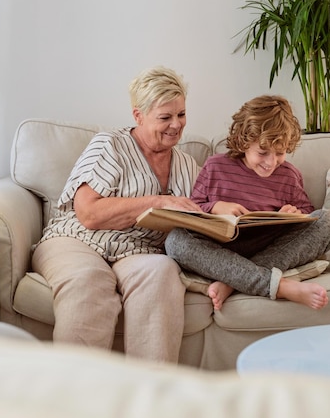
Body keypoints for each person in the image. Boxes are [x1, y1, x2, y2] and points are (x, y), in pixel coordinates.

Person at [32, 66, 202, 363]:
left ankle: (148, 399)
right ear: (138, 115)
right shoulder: (110, 144)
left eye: (182, 114)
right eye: (165, 117)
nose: (176, 125)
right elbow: (89, 213)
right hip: (77, 239)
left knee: (162, 273)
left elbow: (205, 212)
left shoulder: (188, 165)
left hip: (139, 251)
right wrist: (158, 203)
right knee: (89, 280)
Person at [165, 95, 330, 311]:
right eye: (262, 153)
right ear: (244, 142)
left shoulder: (289, 175)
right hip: (220, 247)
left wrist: (293, 212)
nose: (271, 162)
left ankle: (232, 281)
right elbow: (192, 209)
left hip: (268, 247)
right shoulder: (216, 166)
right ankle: (278, 286)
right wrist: (217, 207)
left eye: (280, 153)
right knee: (176, 240)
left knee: (325, 222)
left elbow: (308, 215)